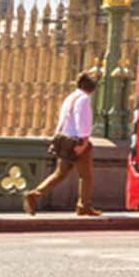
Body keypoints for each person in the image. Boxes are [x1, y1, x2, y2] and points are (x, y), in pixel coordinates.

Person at [24, 71, 100, 216]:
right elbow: (81, 121)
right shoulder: (83, 99)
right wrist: (83, 141)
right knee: (86, 176)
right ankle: (84, 206)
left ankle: (34, 194)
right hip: (77, 142)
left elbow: (63, 119)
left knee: (60, 173)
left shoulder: (70, 97)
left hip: (65, 140)